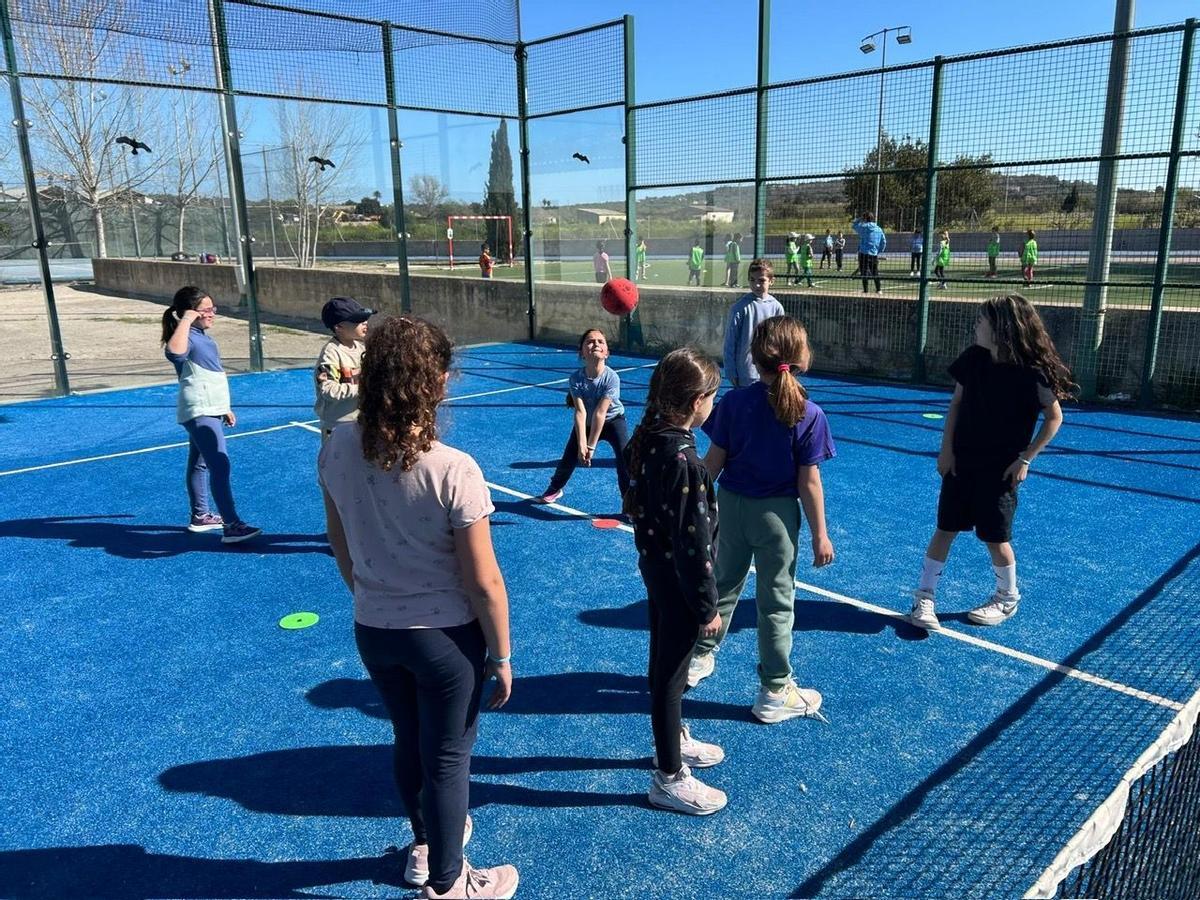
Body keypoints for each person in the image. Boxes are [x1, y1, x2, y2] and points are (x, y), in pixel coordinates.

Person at [319, 316, 518, 900]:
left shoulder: (336, 448)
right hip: (445, 639)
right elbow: (484, 582)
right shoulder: (453, 468)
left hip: (374, 628)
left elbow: (339, 544)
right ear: (436, 382)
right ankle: (449, 884)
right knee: (449, 758)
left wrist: (371, 596)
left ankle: (426, 846)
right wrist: (502, 655)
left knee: (409, 738)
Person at [688, 316, 836, 724]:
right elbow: (809, 483)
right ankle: (774, 690)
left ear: (755, 358)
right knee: (776, 603)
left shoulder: (734, 403)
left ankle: (698, 657)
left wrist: (693, 508)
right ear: (800, 357)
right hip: (777, 518)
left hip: (731, 507)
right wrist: (820, 534)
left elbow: (712, 463)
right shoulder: (809, 413)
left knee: (722, 584)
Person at [909, 294, 1072, 632]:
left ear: (1002, 328)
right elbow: (956, 404)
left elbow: (1054, 418)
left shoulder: (1032, 373)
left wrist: (1025, 458)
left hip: (1000, 470)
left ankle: (1007, 596)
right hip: (962, 462)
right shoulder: (973, 359)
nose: (976, 326)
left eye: (982, 320)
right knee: (945, 529)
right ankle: (924, 596)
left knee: (996, 538)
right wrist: (946, 450)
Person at [623, 348, 726, 815]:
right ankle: (668, 776)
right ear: (696, 401)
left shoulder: (646, 439)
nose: (713, 405)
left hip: (655, 567)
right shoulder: (685, 461)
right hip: (679, 579)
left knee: (662, 663)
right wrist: (707, 607)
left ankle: (672, 740)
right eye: (712, 397)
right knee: (671, 675)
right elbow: (693, 544)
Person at [161, 286, 261, 544]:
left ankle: (201, 516)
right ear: (190, 312)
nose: (212, 314)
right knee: (220, 464)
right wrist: (186, 320)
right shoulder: (188, 336)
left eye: (212, 308)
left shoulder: (202, 337)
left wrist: (224, 407)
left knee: (200, 463)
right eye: (205, 310)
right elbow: (174, 353)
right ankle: (232, 525)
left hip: (210, 408)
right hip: (200, 410)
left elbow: (212, 375)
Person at [536, 328, 629, 506]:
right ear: (582, 353)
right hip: (587, 421)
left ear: (607, 353)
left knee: (626, 460)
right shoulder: (576, 378)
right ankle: (555, 488)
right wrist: (581, 444)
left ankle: (629, 501)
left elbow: (601, 413)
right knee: (569, 457)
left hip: (613, 421)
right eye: (590, 341)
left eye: (601, 341)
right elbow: (580, 412)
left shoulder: (612, 378)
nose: (596, 344)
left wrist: (590, 447)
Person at [313, 296, 373, 441]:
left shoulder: (361, 348)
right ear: (338, 327)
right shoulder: (331, 353)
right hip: (337, 427)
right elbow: (328, 390)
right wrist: (364, 388)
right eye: (357, 320)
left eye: (364, 319)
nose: (364, 322)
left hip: (360, 422)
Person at [722, 258, 785, 388]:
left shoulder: (777, 308)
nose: (756, 285)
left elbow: (781, 342)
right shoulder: (739, 308)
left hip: (769, 372)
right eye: (752, 280)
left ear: (771, 281)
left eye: (761, 280)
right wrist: (731, 371)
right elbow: (730, 342)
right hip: (746, 372)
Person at [851, 212, 886, 293]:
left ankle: (865, 290)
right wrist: (879, 251)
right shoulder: (879, 229)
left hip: (863, 253)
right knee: (875, 272)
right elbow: (883, 242)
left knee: (864, 272)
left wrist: (860, 218)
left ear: (865, 219)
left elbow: (854, 225)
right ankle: (879, 290)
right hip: (874, 253)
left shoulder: (863, 227)